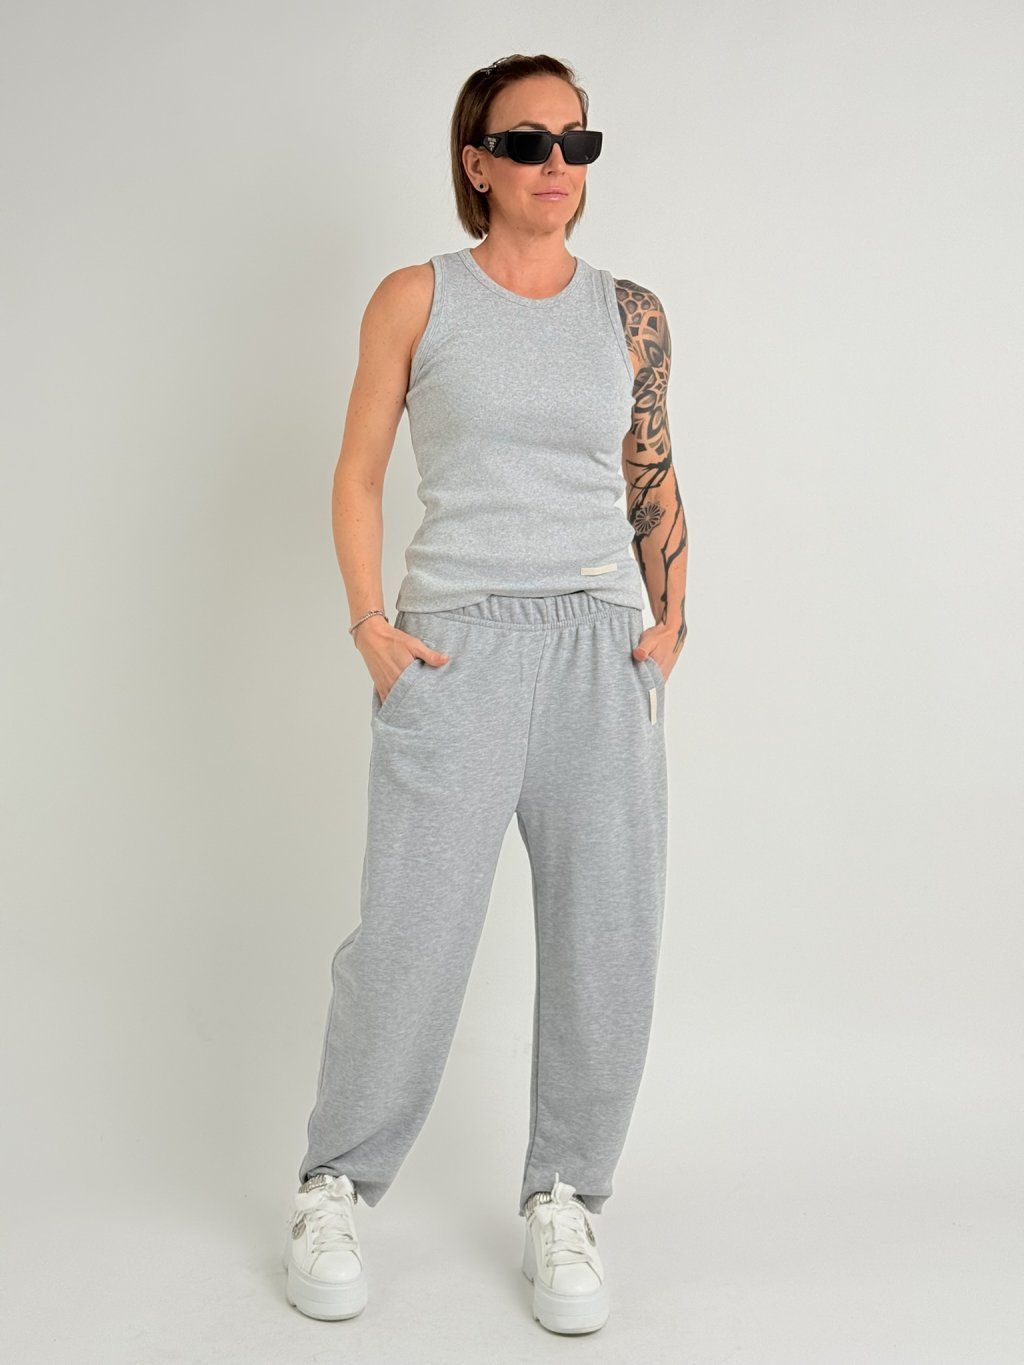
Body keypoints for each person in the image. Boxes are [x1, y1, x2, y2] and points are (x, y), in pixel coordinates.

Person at [282, 52, 689, 1335]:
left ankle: (565, 1198)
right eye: (528, 142)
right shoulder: (418, 296)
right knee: (408, 938)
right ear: (478, 160)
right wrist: (370, 624)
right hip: (453, 644)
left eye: (577, 142)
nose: (556, 165)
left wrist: (668, 627)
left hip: (598, 647)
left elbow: (650, 471)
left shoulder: (630, 313)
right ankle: (335, 1183)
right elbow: (358, 471)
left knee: (606, 938)